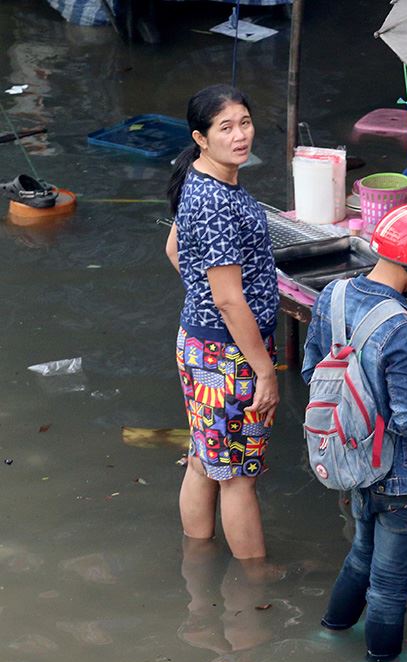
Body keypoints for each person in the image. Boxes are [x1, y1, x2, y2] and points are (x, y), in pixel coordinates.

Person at [301, 203, 407, 662]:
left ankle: (330, 635)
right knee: (389, 586)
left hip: (352, 458)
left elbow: (315, 371)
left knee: (360, 557)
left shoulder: (333, 294)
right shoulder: (402, 326)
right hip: (404, 478)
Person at [164, 84, 278, 560]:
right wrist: (265, 371)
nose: (240, 136)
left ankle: (198, 562)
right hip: (228, 356)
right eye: (225, 128)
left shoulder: (203, 177)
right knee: (238, 476)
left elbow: (174, 251)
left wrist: (205, 302)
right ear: (201, 137)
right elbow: (231, 302)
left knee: (206, 460)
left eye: (245, 123)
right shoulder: (215, 201)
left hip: (201, 344)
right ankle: (253, 593)